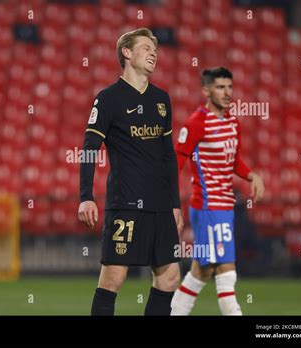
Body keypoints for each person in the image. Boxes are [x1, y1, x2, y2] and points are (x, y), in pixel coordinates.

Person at [78, 28, 184, 316]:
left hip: (161, 206)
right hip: (126, 204)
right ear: (126, 52)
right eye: (146, 48)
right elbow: (89, 148)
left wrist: (175, 203)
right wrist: (85, 196)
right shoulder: (108, 98)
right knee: (114, 277)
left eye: (155, 50)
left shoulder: (162, 100)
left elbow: (168, 157)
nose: (154, 53)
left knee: (169, 278)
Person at [170, 67, 264, 315]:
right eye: (220, 87)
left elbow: (234, 162)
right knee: (226, 273)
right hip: (208, 206)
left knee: (201, 272)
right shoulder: (196, 123)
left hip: (225, 207)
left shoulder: (232, 121)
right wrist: (170, 203)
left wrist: (251, 174)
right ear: (206, 90)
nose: (227, 92)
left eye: (229, 87)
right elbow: (175, 164)